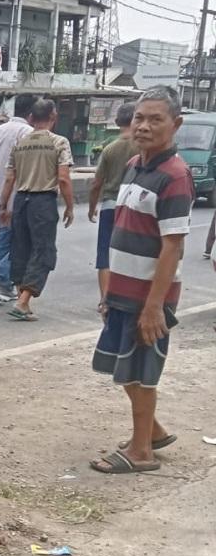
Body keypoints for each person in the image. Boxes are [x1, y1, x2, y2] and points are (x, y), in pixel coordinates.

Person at [91, 86, 193, 474]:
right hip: (123, 289)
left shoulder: (176, 176)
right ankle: (153, 431)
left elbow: (172, 247)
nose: (145, 126)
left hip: (150, 297)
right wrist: (110, 292)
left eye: (156, 119)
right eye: (139, 118)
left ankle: (141, 453)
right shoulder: (135, 165)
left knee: (142, 372)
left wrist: (154, 307)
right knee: (124, 368)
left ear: (175, 125)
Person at [0, 98, 74, 321]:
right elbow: (64, 179)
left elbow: (9, 179)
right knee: (43, 250)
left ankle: (23, 299)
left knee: (21, 248)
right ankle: (22, 302)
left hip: (21, 200)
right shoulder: (58, 142)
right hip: (43, 202)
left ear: (31, 118)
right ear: (54, 117)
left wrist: (4, 206)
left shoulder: (20, 143)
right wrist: (70, 207)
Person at [0, 94, 36, 304]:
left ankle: (3, 285)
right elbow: (20, 170)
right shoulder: (28, 133)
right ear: (31, 113)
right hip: (15, 195)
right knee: (20, 243)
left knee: (4, 241)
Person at [88, 102, 138, 313]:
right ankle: (130, 297)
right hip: (135, 207)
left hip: (110, 205)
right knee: (133, 253)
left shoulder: (110, 148)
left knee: (105, 255)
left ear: (118, 122)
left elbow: (97, 183)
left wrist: (92, 208)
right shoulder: (143, 147)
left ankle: (105, 301)